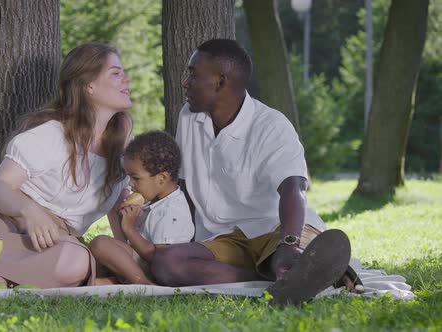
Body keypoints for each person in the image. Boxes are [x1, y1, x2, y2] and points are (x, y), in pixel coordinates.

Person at [150, 39, 353, 305]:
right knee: (166, 263)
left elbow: (294, 188)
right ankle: (282, 280)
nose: (185, 82)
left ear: (221, 82)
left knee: (287, 255)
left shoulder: (271, 125)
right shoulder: (188, 116)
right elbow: (186, 187)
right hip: (223, 237)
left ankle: (294, 265)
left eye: (193, 74)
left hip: (276, 228)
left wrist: (288, 244)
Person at [0, 43, 134, 288]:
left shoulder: (125, 146)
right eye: (116, 73)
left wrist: (129, 258)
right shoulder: (52, 135)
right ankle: (87, 282)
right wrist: (30, 212)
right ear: (89, 86)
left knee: (76, 261)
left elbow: (118, 206)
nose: (126, 78)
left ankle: (11, 280)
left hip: (48, 240)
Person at [89, 131, 194, 285]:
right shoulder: (151, 201)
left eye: (136, 178)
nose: (130, 184)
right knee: (94, 256)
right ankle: (115, 281)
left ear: (161, 178)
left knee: (100, 244)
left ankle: (144, 284)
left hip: (156, 270)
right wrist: (123, 220)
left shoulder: (173, 211)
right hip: (139, 262)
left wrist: (130, 229)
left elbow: (159, 258)